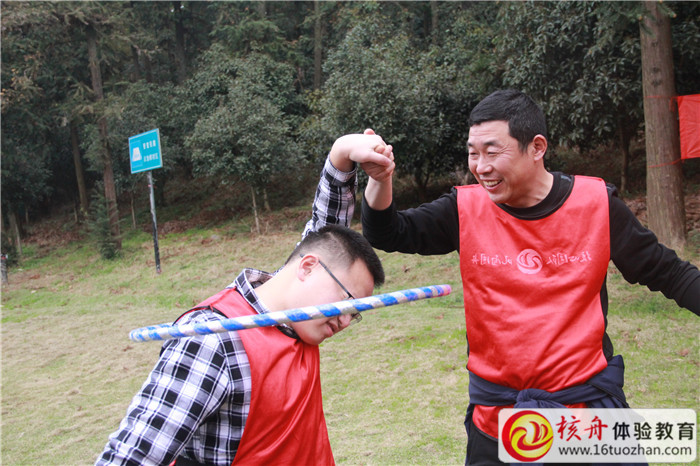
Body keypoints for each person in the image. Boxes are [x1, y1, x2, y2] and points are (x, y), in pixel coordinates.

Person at [314, 90, 700, 465]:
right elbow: (387, 233)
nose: (481, 166)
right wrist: (381, 178)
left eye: (492, 151)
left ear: (537, 147)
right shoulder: (464, 209)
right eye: (473, 153)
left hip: (585, 411)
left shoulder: (595, 204)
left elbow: (668, 272)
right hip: (498, 418)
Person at [96, 133, 391, 466]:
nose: (345, 321)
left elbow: (331, 236)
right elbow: (132, 457)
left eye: (355, 313)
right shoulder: (212, 340)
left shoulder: (300, 311)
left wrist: (342, 153)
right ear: (307, 268)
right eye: (346, 303)